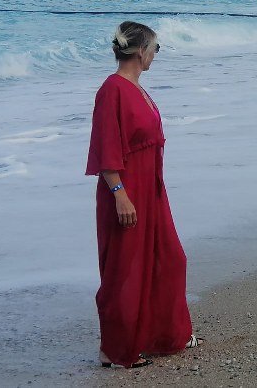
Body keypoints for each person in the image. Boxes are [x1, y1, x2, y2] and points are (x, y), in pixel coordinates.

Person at [86, 21, 201, 369]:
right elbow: (106, 146)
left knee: (169, 259)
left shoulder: (136, 88)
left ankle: (162, 336)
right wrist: (120, 194)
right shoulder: (113, 90)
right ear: (140, 51)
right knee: (125, 269)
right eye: (155, 49)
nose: (156, 55)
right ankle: (115, 349)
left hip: (150, 191)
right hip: (125, 191)